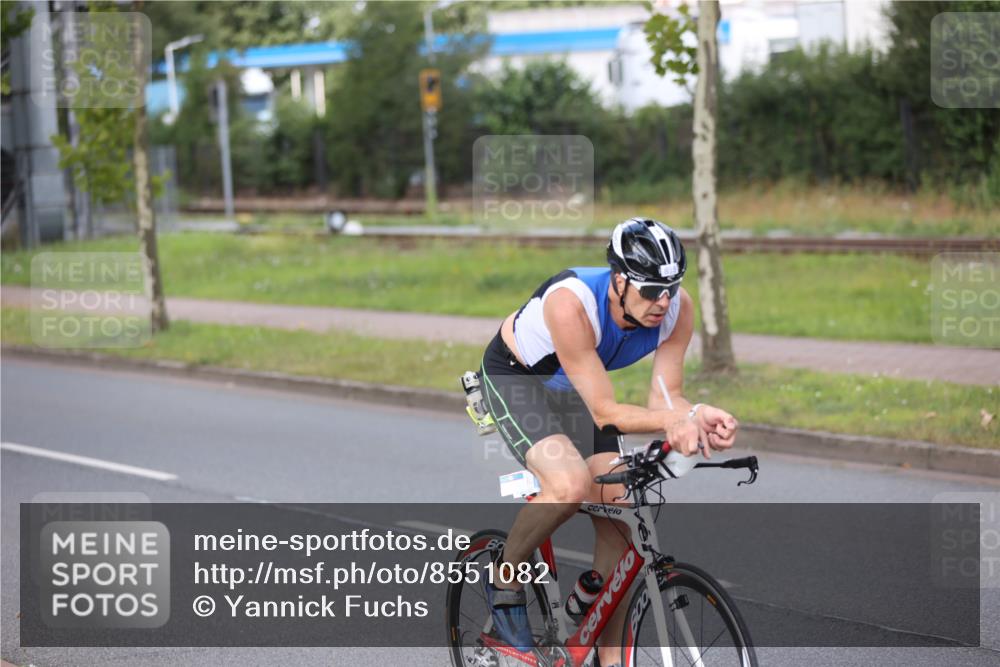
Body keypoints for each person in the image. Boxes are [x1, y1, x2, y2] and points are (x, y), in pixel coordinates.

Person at [477, 218, 739, 666]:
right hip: (519, 381)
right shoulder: (571, 303)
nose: (663, 301)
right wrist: (675, 421)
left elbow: (666, 396)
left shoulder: (678, 309)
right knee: (569, 485)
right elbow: (605, 412)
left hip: (576, 388)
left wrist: (695, 415)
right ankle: (504, 579)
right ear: (620, 280)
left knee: (623, 509)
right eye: (651, 289)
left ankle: (606, 647)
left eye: (671, 287)